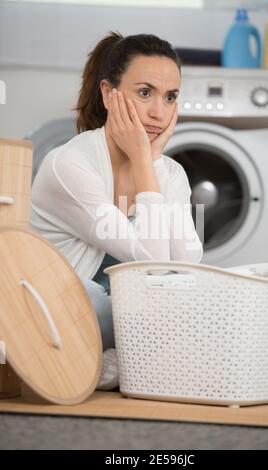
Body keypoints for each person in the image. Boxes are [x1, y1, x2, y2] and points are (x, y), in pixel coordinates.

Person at [29, 31, 203, 363]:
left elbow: (184, 269)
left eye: (170, 97)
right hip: (58, 321)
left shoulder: (169, 171)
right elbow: (152, 264)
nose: (158, 112)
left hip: (129, 325)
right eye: (144, 93)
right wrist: (143, 160)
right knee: (100, 294)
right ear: (109, 94)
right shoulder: (70, 165)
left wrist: (151, 163)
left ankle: (125, 366)